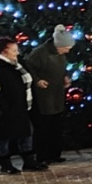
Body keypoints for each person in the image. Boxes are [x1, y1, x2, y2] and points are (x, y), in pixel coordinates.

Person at [0, 38, 43, 174]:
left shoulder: (16, 64)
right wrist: (4, 106)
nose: (17, 53)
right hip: (7, 107)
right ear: (3, 52)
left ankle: (29, 161)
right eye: (13, 50)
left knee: (27, 133)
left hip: (22, 105)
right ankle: (5, 164)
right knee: (3, 136)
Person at [24, 26, 73, 164]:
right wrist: (37, 80)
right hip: (43, 97)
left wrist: (65, 77)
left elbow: (62, 69)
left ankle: (54, 154)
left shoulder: (60, 54)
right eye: (66, 48)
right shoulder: (39, 53)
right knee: (43, 127)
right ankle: (42, 156)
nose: (67, 51)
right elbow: (28, 69)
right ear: (58, 45)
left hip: (57, 94)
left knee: (56, 126)